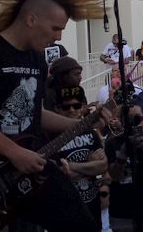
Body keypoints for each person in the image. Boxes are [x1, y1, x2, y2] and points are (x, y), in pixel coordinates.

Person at [0, 0, 106, 231]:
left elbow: (34, 114)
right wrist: (14, 152)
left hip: (28, 168)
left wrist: (83, 124)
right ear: (31, 19)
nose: (59, 37)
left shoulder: (37, 59)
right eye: (56, 28)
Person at [53, 85, 108, 230]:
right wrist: (89, 165)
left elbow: (102, 166)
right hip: (66, 210)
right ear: (57, 109)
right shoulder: (52, 138)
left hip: (92, 206)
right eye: (66, 107)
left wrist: (72, 166)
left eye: (76, 106)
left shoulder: (91, 133)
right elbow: (61, 175)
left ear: (82, 107)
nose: (72, 110)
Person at [106, 102, 143, 232]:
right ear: (121, 120)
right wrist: (122, 155)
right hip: (122, 207)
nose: (134, 123)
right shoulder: (112, 142)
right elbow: (114, 177)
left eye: (137, 118)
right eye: (129, 119)